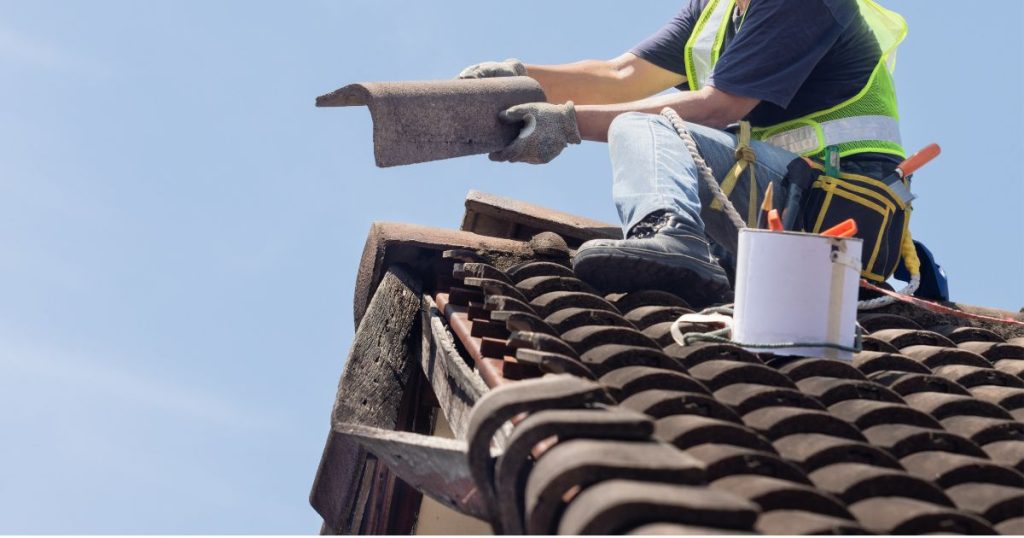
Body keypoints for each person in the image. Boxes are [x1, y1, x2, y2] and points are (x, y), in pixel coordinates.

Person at [459, 0, 909, 307]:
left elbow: (717, 108)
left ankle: (673, 235)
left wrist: (566, 123)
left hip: (830, 214)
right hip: (779, 202)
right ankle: (687, 251)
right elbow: (622, 75)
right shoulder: (716, 11)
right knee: (647, 125)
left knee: (646, 125)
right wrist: (522, 79)